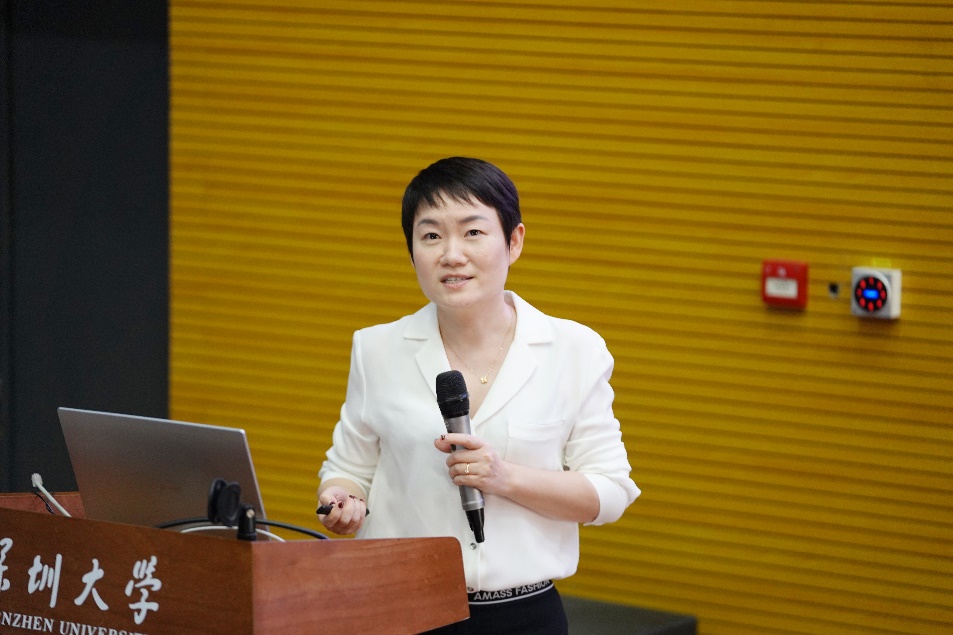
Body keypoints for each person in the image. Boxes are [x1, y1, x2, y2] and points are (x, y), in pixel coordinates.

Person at [317, 156, 640, 634]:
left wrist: (504, 477)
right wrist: (342, 499)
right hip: (399, 609)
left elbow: (610, 493)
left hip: (524, 615)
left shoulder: (574, 350)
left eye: (472, 232)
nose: (452, 254)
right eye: (431, 236)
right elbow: (349, 469)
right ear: (411, 252)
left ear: (514, 241)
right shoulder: (376, 348)